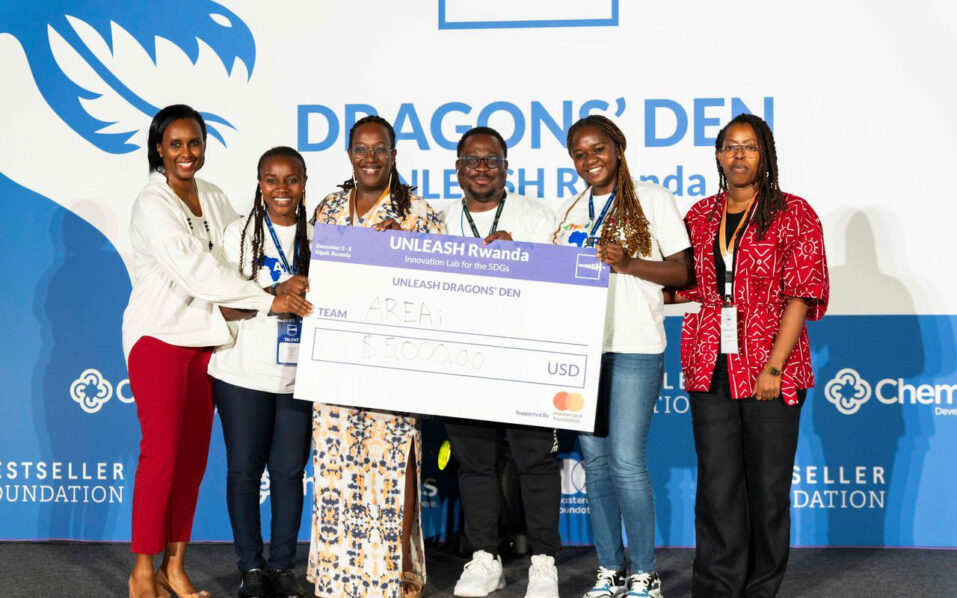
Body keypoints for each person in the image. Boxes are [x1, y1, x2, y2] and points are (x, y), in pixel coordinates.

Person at [123, 106, 312, 598]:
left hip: (205, 341)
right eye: (175, 144)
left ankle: (174, 567)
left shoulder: (212, 195)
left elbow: (243, 253)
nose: (186, 153)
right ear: (159, 148)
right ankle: (142, 570)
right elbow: (199, 274)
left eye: (195, 143)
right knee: (161, 457)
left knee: (190, 463)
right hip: (160, 339)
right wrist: (270, 298)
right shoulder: (153, 202)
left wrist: (279, 280)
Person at [674, 113, 829, 598]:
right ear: (718, 156)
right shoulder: (700, 215)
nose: (738, 155)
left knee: (766, 490)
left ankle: (760, 588)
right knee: (717, 488)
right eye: (730, 146)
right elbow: (683, 283)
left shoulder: (793, 213)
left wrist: (774, 367)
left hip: (771, 365)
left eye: (749, 146)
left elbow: (801, 294)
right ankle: (716, 588)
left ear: (766, 156)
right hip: (710, 363)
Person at [552, 115, 692, 598]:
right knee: (594, 464)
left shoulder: (653, 199)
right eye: (579, 153)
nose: (589, 160)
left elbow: (683, 271)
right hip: (583, 351)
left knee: (627, 460)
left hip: (634, 345)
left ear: (618, 147)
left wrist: (629, 263)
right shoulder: (569, 210)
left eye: (598, 149)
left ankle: (645, 573)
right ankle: (609, 570)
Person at [306, 115, 443, 598]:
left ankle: (398, 570)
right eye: (361, 149)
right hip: (336, 361)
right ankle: (338, 574)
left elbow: (441, 288)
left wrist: (403, 249)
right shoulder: (327, 209)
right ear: (349, 155)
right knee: (336, 468)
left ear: (393, 154)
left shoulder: (419, 214)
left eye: (380, 149)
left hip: (395, 363)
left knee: (395, 464)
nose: (370, 158)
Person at [442, 126, 562, 598]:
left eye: (491, 160)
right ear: (457, 169)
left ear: (506, 168)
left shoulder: (536, 216)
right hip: (462, 360)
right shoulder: (439, 221)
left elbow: (562, 283)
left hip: (525, 359)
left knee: (536, 461)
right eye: (472, 160)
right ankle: (484, 558)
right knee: (474, 464)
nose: (482, 168)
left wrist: (525, 257)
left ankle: (544, 562)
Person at [207, 146, 314, 598]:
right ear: (259, 184)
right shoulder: (238, 234)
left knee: (289, 473)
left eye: (291, 179)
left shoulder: (321, 238)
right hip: (241, 373)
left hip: (298, 376)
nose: (281, 188)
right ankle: (251, 566)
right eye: (272, 179)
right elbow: (222, 302)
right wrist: (275, 290)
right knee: (244, 472)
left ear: (304, 183)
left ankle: (282, 567)